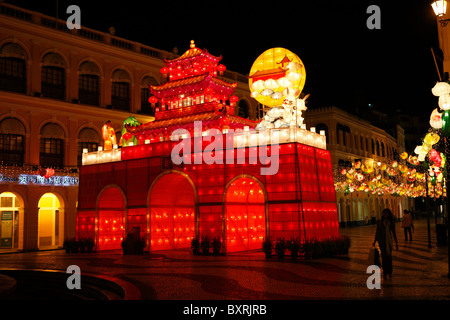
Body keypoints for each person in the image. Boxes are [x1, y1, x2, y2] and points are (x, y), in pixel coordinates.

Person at [373, 208, 398, 278]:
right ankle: (385, 272)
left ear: (389, 214)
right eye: (384, 213)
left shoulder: (391, 222)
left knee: (389, 257)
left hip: (389, 242)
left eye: (386, 213)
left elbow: (394, 233)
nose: (385, 214)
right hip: (382, 242)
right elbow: (377, 232)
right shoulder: (380, 222)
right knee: (384, 257)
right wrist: (375, 241)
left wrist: (396, 243)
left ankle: (390, 272)